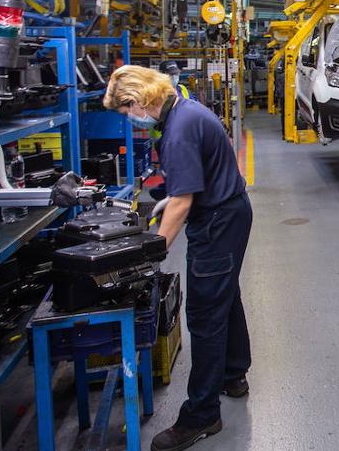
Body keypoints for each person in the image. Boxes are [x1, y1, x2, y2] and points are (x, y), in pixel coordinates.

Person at [104, 65, 252, 451]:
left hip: (217, 222)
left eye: (126, 111)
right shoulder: (185, 111)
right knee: (225, 295)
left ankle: (203, 416)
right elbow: (189, 186)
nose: (130, 119)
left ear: (136, 100)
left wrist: (152, 252)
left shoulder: (179, 129)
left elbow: (184, 201)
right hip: (230, 211)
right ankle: (234, 374)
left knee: (204, 314)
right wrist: (172, 198)